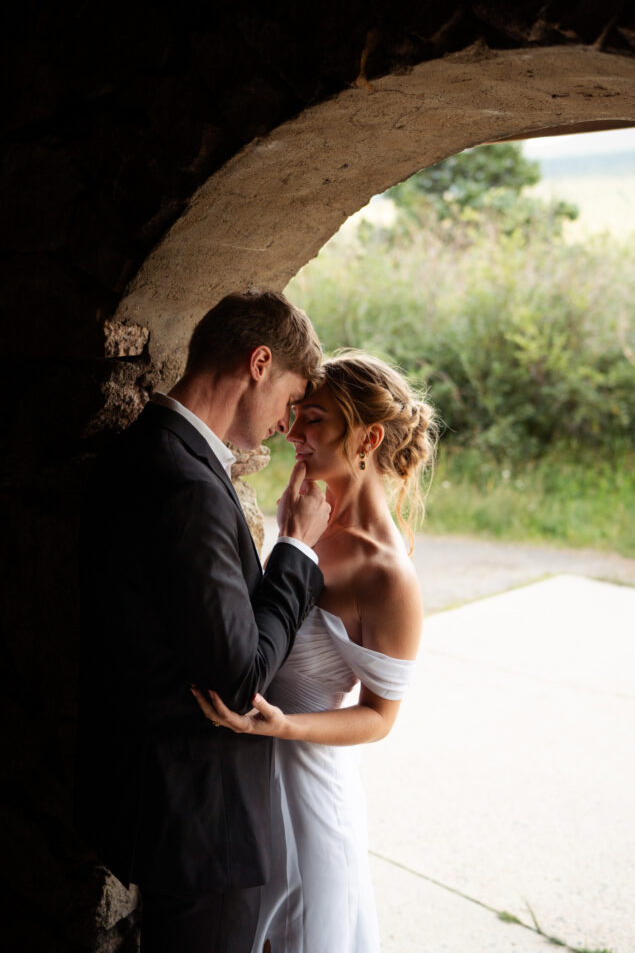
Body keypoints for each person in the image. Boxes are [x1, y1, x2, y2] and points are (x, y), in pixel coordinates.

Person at [75, 290, 332, 953]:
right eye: (290, 398)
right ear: (258, 363)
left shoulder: (141, 448)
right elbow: (239, 677)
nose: (285, 423)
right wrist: (296, 550)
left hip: (153, 799)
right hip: (203, 824)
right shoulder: (187, 484)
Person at [193, 350, 438, 952]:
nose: (293, 431)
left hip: (305, 803)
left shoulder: (386, 574)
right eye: (297, 413)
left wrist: (282, 727)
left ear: (368, 438)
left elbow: (379, 717)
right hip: (240, 787)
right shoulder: (304, 513)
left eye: (315, 419)